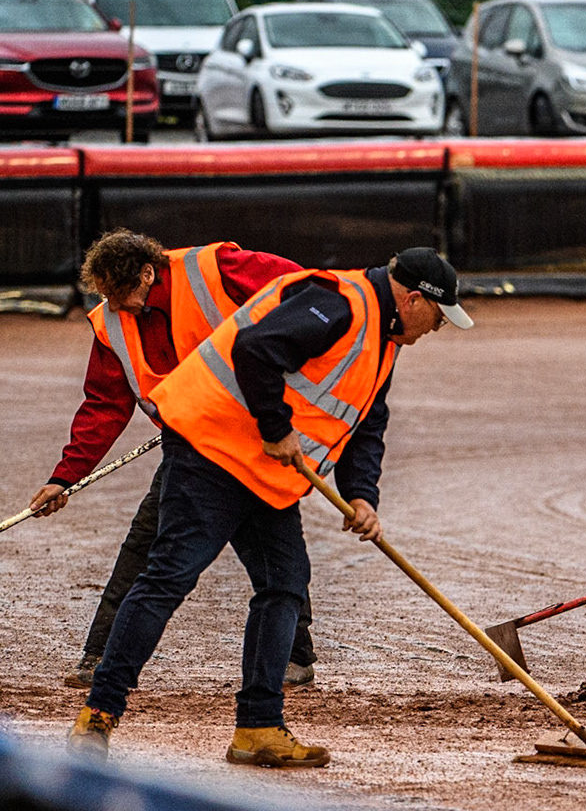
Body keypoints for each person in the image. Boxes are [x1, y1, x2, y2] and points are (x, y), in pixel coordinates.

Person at [66, 249, 473, 767]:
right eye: (439, 317)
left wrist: (361, 496)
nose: (437, 328)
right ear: (414, 299)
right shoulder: (338, 303)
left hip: (262, 473)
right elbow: (257, 350)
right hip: (210, 452)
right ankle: (97, 715)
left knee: (284, 582)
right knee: (168, 577)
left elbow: (367, 423)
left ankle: (258, 727)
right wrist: (276, 427)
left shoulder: (384, 342)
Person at [25, 230, 322, 690]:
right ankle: (101, 654)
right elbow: (104, 406)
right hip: (192, 448)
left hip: (254, 440)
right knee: (185, 550)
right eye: (107, 296)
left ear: (148, 272)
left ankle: (104, 656)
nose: (117, 307)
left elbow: (309, 292)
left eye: (122, 294)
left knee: (255, 558)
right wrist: (65, 478)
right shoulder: (112, 322)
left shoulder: (214, 268)